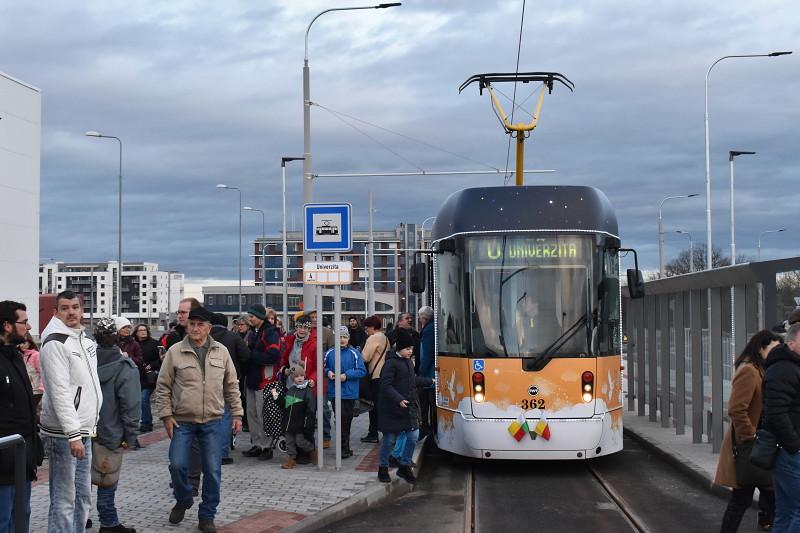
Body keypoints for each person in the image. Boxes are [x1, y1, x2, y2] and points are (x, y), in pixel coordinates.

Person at [154, 306, 243, 533]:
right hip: (182, 422)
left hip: (213, 422)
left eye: (200, 324)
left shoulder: (221, 352)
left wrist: (237, 414)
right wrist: (166, 415)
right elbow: (163, 386)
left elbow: (231, 385)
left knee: (213, 471)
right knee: (177, 465)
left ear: (208, 328)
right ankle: (183, 499)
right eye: (192, 323)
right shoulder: (175, 351)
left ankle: (207, 516)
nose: (195, 328)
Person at [39, 290, 103, 533]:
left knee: (83, 497)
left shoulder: (84, 341)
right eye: (65, 308)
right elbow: (59, 392)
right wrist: (73, 435)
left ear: (81, 310)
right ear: (56, 312)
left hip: (84, 430)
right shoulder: (55, 342)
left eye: (75, 307)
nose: (71, 312)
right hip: (64, 434)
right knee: (64, 500)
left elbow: (89, 386)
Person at [715, 330, 780, 533]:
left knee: (757, 498)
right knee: (747, 498)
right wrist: (750, 436)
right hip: (750, 447)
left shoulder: (761, 369)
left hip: (757, 447)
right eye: (773, 348)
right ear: (761, 347)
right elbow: (736, 408)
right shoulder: (749, 371)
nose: (776, 352)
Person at [92, 317, 141, 533]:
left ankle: (80, 516)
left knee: (80, 479)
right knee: (107, 480)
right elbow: (130, 405)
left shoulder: (85, 361)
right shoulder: (125, 367)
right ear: (116, 337)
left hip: (84, 430)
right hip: (111, 432)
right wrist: (130, 437)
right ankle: (109, 522)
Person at [0, 301, 42, 533]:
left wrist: (33, 447)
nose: (28, 326)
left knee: (21, 516)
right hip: (3, 458)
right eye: (24, 322)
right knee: (3, 520)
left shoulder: (15, 356)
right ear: (7, 325)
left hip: (23, 456)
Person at [377, 331, 433, 484]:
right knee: (389, 439)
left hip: (407, 407)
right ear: (399, 348)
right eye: (408, 348)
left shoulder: (408, 362)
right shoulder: (390, 364)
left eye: (412, 349)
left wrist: (430, 381)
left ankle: (404, 466)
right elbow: (386, 386)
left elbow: (412, 380)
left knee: (413, 435)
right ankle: (383, 468)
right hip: (392, 408)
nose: (411, 351)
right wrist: (399, 399)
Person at [763, 323, 800, 532]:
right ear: (791, 342)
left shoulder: (789, 366)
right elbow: (777, 413)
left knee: (786, 510)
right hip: (789, 451)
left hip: (786, 450)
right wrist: (795, 445)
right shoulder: (784, 369)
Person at [210, 313, 250, 465]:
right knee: (225, 416)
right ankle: (223, 453)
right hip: (229, 381)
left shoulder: (204, 338)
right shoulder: (233, 337)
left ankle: (209, 451)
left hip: (208, 383)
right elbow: (246, 356)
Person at [242, 305, 280, 460]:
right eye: (248, 316)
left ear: (259, 317)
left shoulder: (270, 332)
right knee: (252, 414)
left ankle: (267, 447)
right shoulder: (254, 333)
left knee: (263, 414)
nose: (249, 319)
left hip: (265, 380)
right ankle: (257, 444)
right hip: (252, 379)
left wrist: (251, 354)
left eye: (251, 316)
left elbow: (273, 355)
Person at [323, 327, 366, 458]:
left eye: (344, 337)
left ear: (348, 338)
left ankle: (345, 445)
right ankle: (342, 447)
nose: (342, 340)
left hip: (349, 392)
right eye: (340, 337)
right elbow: (324, 366)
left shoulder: (354, 353)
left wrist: (346, 375)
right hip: (335, 392)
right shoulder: (329, 352)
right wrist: (328, 372)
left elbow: (362, 371)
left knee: (347, 419)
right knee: (339, 418)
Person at [360, 315, 390, 443]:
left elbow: (365, 357)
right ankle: (379, 432)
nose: (366, 330)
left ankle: (374, 433)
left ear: (372, 327)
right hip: (384, 374)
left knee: (373, 406)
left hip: (376, 375)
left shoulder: (373, 338)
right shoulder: (385, 337)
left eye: (367, 328)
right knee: (380, 405)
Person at [280, 362, 317, 469]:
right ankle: (291, 459)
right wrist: (278, 398)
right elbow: (286, 404)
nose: (299, 378)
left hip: (300, 423)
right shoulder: (291, 390)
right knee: (289, 442)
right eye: (296, 377)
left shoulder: (307, 390)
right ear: (292, 379)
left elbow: (311, 408)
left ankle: (312, 450)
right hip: (289, 423)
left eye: (301, 375)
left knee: (300, 441)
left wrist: (308, 422)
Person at [307, 309, 334, 448]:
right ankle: (307, 437)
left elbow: (332, 352)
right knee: (307, 408)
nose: (314, 319)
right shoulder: (304, 331)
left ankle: (325, 435)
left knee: (323, 408)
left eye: (316, 317)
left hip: (322, 375)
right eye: (311, 317)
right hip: (306, 375)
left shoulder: (327, 333)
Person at [133, 324, 160, 434]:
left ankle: (146, 423)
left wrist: (152, 365)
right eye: (141, 330)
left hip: (149, 378)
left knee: (144, 398)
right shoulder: (133, 344)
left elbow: (161, 359)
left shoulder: (154, 343)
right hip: (136, 377)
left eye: (145, 330)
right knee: (136, 401)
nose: (143, 332)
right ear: (136, 332)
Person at [417, 306, 436, 439]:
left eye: (420, 317)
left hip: (429, 375)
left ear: (424, 317)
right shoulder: (431, 327)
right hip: (430, 374)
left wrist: (421, 373)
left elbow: (427, 354)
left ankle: (426, 427)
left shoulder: (429, 330)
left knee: (426, 403)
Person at [20, 332, 44, 419]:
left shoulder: (35, 355)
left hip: (36, 391)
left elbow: (42, 372)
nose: (21, 345)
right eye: (20, 343)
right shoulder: (22, 355)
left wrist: (41, 388)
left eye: (24, 342)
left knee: (34, 413)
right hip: (28, 390)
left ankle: (37, 430)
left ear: (30, 342)